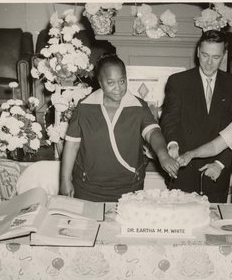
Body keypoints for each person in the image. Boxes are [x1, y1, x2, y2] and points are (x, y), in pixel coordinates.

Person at [60, 53, 179, 202]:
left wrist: (163, 154)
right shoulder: (85, 107)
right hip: (88, 188)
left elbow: (153, 132)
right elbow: (72, 145)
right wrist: (65, 180)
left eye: (122, 81)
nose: (118, 88)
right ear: (100, 82)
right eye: (111, 82)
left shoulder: (138, 106)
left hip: (129, 189)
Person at [160, 29, 232, 203]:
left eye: (215, 57)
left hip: (216, 171)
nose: (209, 63)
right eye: (205, 55)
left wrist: (221, 164)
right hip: (183, 169)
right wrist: (172, 144)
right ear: (198, 51)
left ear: (224, 55)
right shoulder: (178, 81)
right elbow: (170, 119)